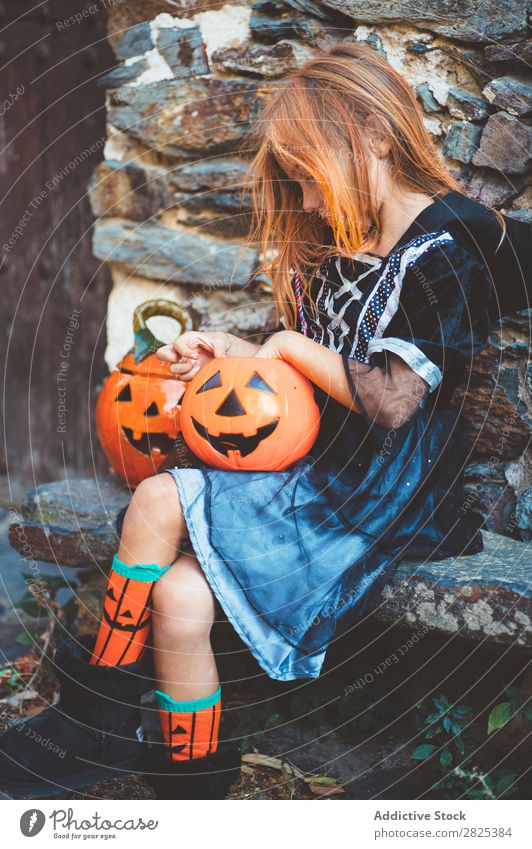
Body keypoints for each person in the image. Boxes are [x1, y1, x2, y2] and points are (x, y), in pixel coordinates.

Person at [0, 41, 526, 801]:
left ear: (373, 136)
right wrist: (239, 353)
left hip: (375, 496)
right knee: (177, 600)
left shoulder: (451, 247)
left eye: (309, 176)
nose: (306, 203)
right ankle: (193, 780)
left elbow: (392, 400)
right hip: (314, 469)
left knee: (156, 498)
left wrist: (280, 344)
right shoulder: (340, 241)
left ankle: (94, 715)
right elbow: (298, 381)